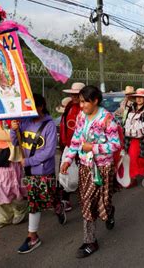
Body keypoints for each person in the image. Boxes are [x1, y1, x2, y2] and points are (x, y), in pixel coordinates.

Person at [60, 85, 121, 258]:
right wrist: (68, 159)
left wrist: (92, 147)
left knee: (103, 202)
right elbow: (76, 139)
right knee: (86, 202)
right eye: (80, 102)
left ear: (95, 101)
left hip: (103, 168)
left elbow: (115, 144)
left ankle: (109, 211)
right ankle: (90, 241)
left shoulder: (107, 119)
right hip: (86, 167)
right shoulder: (81, 116)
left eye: (85, 102)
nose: (82, 106)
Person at [11, 94, 59, 254]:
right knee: (35, 201)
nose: (32, 112)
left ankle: (33, 237)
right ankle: (34, 235)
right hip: (29, 172)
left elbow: (49, 151)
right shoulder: (24, 122)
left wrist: (29, 161)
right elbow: (16, 142)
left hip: (44, 171)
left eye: (35, 108)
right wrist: (14, 130)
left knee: (38, 201)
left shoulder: (50, 125)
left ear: (41, 106)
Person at [59, 82, 86, 212]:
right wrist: (63, 142)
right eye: (72, 94)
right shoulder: (69, 106)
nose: (74, 97)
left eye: (77, 95)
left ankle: (85, 197)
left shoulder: (86, 108)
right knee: (65, 171)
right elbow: (64, 125)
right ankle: (65, 199)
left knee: (83, 173)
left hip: (83, 148)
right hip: (69, 146)